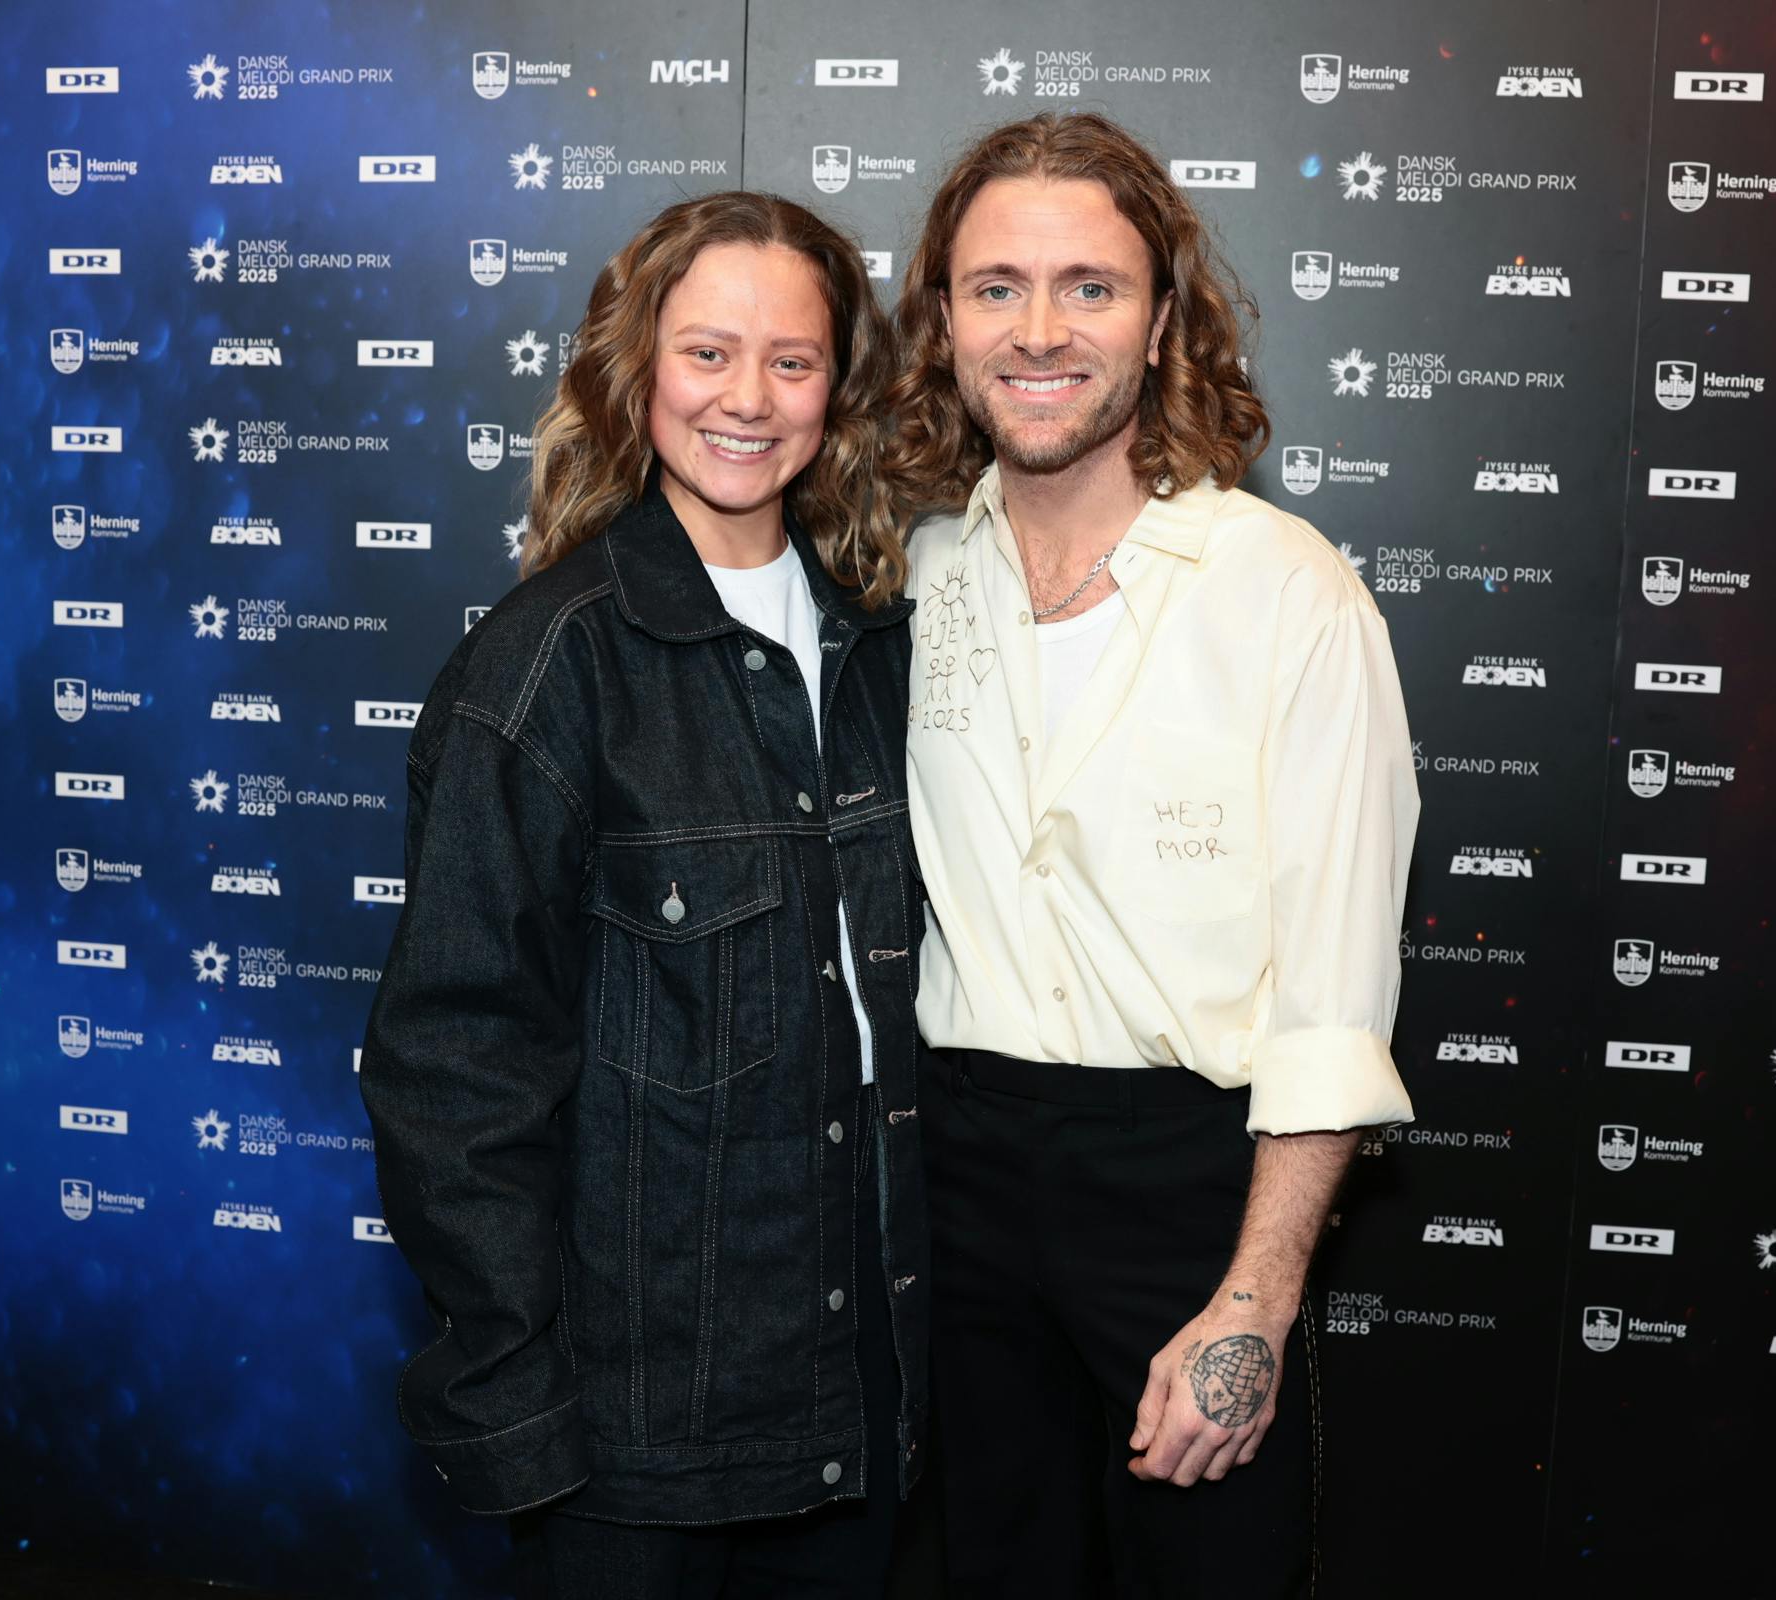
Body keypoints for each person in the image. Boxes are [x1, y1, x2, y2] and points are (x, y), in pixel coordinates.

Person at [359, 191, 926, 1599]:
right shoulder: (549, 667)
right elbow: (454, 1072)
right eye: (708, 354)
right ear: (638, 372)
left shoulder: (887, 647)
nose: (749, 398)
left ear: (836, 392)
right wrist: (518, 1412)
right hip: (633, 1426)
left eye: (792, 361)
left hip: (863, 1384)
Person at [885, 112, 1420, 1597]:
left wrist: (1255, 1300)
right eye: (996, 287)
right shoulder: (916, 570)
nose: (1040, 331)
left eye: (1090, 287)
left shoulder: (1291, 596)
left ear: (1164, 315)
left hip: (1191, 1190)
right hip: (954, 1178)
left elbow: (1330, 1012)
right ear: (942, 318)